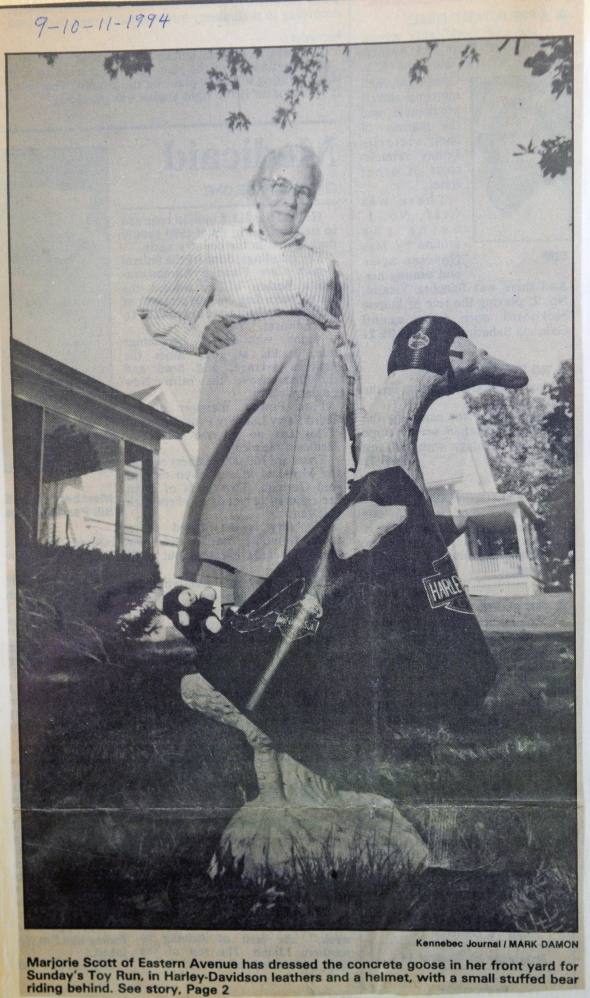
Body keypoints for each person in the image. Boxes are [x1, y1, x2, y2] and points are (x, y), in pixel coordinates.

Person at [180, 317, 528, 784]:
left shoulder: (384, 489)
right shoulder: (386, 498)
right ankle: (268, 710)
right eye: (475, 359)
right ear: (458, 359)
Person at [138, 145, 361, 606]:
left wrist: (361, 432)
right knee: (236, 506)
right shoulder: (220, 245)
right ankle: (229, 637)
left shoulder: (326, 265)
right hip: (247, 389)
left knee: (313, 508)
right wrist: (197, 336)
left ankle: (300, 634)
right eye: (280, 185)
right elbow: (158, 309)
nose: (290, 199)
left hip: (317, 399)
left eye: (303, 191)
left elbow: (348, 348)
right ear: (257, 191)